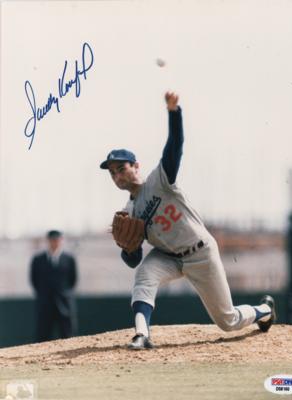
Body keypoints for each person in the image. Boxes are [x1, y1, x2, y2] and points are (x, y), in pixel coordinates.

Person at [100, 92, 276, 350]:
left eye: (121, 168)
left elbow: (175, 146)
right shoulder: (129, 212)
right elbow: (134, 259)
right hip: (168, 257)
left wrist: (174, 112)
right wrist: (128, 251)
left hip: (200, 252)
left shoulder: (159, 180)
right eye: (112, 173)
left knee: (227, 321)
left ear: (136, 166)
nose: (116, 175)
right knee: (144, 275)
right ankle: (141, 334)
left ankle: (264, 310)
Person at [30, 230, 78, 342]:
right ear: (48, 241)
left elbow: (73, 280)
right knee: (43, 336)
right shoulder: (38, 259)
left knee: (67, 335)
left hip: (64, 303)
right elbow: (34, 280)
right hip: (45, 303)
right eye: (52, 240)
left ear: (61, 240)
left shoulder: (69, 259)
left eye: (57, 240)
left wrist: (64, 293)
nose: (55, 242)